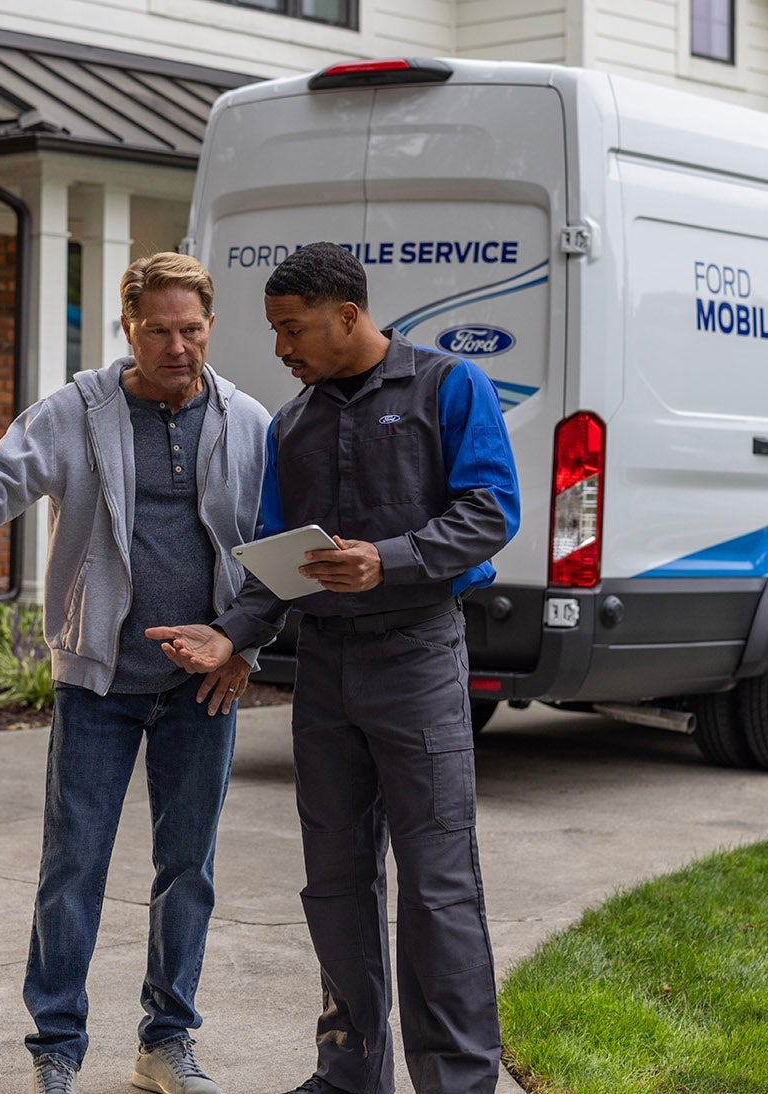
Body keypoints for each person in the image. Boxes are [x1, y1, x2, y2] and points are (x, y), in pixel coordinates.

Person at [0, 253, 271, 1094]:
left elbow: (266, 548)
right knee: (74, 865)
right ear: (128, 327)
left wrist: (244, 646)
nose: (176, 346)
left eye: (191, 329)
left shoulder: (249, 420)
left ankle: (167, 1041)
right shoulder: (79, 412)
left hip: (203, 686)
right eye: (159, 330)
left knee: (189, 867)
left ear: (210, 326)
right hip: (99, 680)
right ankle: (57, 1049)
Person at [147, 242, 520, 1094]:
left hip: (417, 656)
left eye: (292, 329)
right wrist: (231, 634)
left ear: (347, 316)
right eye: (275, 331)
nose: (281, 349)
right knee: (336, 881)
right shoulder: (295, 424)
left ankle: (457, 1082)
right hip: (325, 674)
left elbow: (491, 509)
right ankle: (348, 1074)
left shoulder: (447, 386)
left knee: (437, 884)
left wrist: (388, 559)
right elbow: (277, 560)